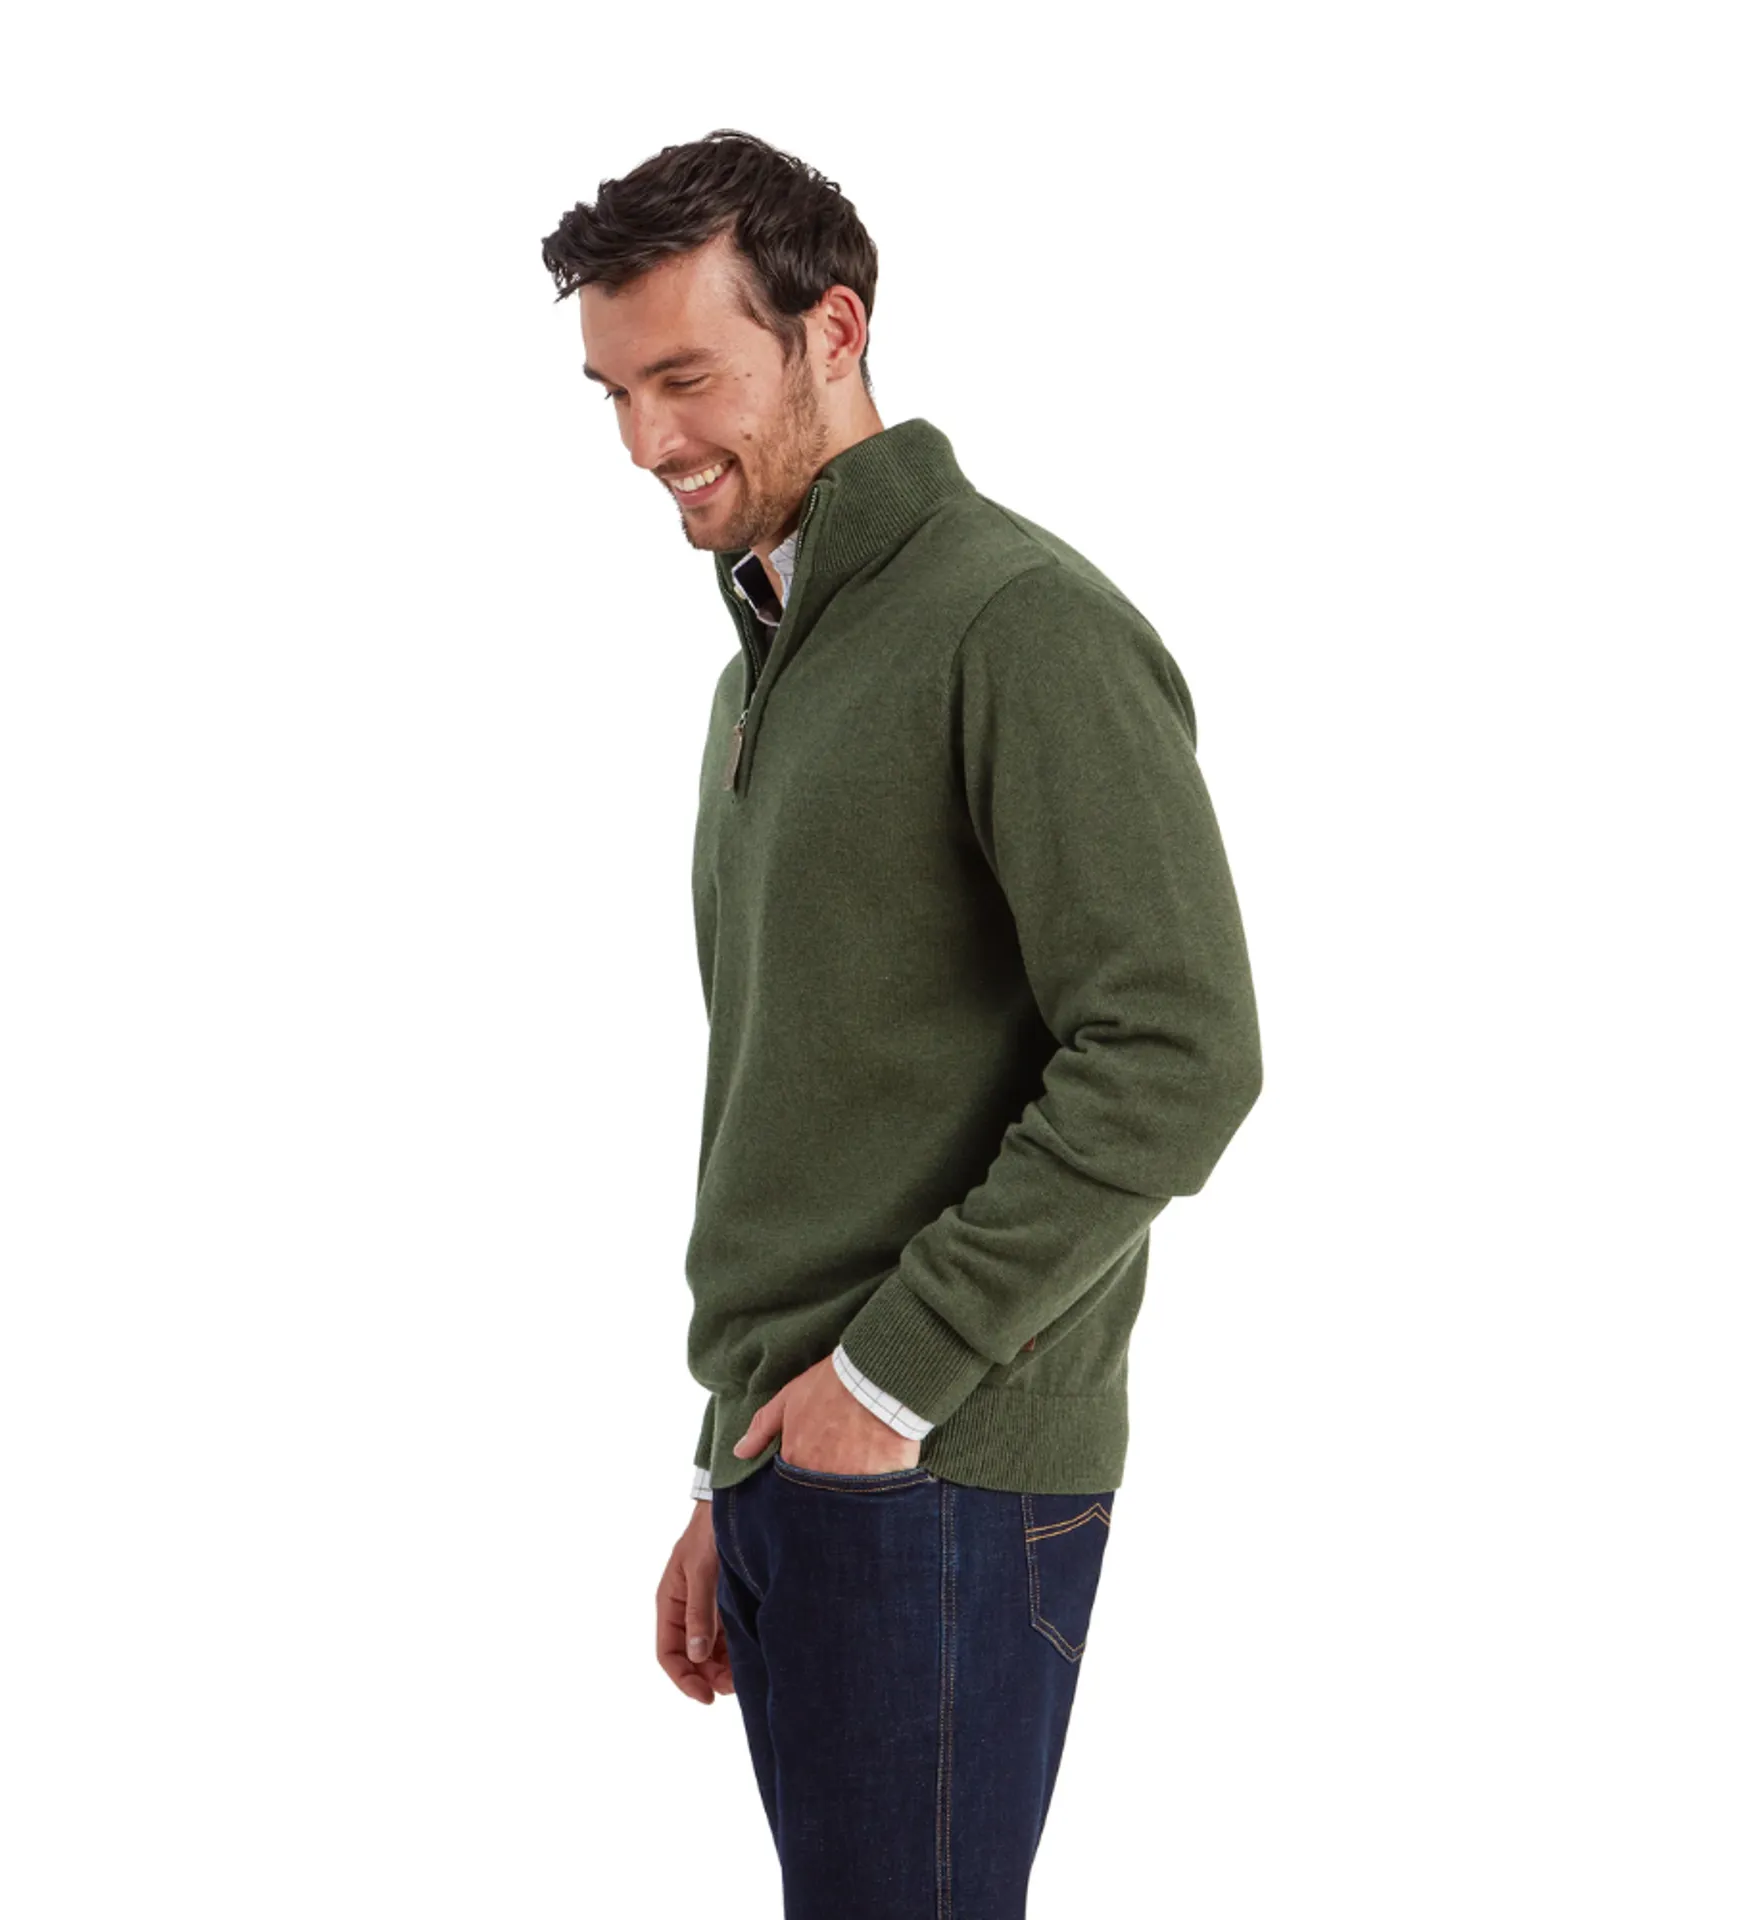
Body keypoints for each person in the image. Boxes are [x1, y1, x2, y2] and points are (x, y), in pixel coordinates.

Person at [540, 130, 1263, 1917]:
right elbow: (813, 1105)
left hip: (936, 1462)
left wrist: (883, 1387)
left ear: (835, 329)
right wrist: (734, 1461)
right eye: (614, 392)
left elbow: (1177, 1052)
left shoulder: (1017, 623)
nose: (645, 441)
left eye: (686, 376)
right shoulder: (766, 665)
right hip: (805, 1461)